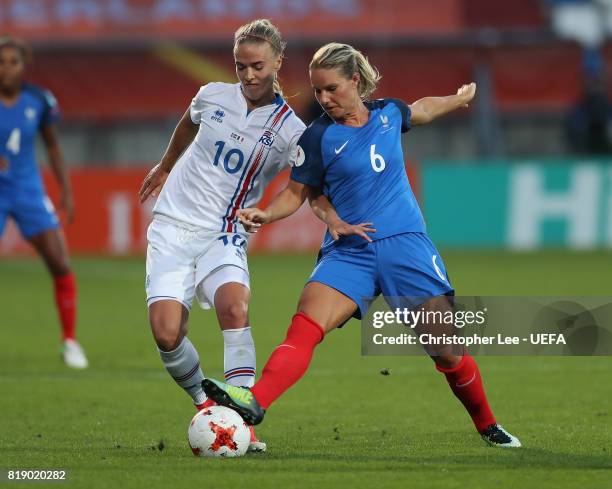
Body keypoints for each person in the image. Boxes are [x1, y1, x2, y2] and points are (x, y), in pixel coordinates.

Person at [202, 42, 522, 448]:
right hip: (349, 249)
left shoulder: (389, 114)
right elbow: (301, 192)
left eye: (332, 89)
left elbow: (421, 109)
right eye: (318, 91)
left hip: (405, 246)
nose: (324, 99)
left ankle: (488, 425)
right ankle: (255, 400)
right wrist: (270, 214)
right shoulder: (317, 136)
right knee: (306, 322)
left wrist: (457, 100)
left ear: (355, 80)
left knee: (446, 351)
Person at [138, 22, 370, 453]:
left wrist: (333, 219)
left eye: (258, 66)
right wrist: (167, 164)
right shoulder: (211, 95)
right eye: (241, 66)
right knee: (167, 333)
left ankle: (243, 420)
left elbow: (307, 187)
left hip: (224, 232)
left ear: (278, 62)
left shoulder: (290, 130)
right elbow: (188, 123)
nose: (248, 75)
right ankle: (206, 404)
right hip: (171, 226)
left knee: (234, 304)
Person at [0, 36, 88, 369]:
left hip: (27, 191)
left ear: (24, 65)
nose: (6, 68)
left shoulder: (38, 100)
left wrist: (65, 189)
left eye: (13, 61)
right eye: (1, 61)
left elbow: (51, 146)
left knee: (60, 263)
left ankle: (69, 341)